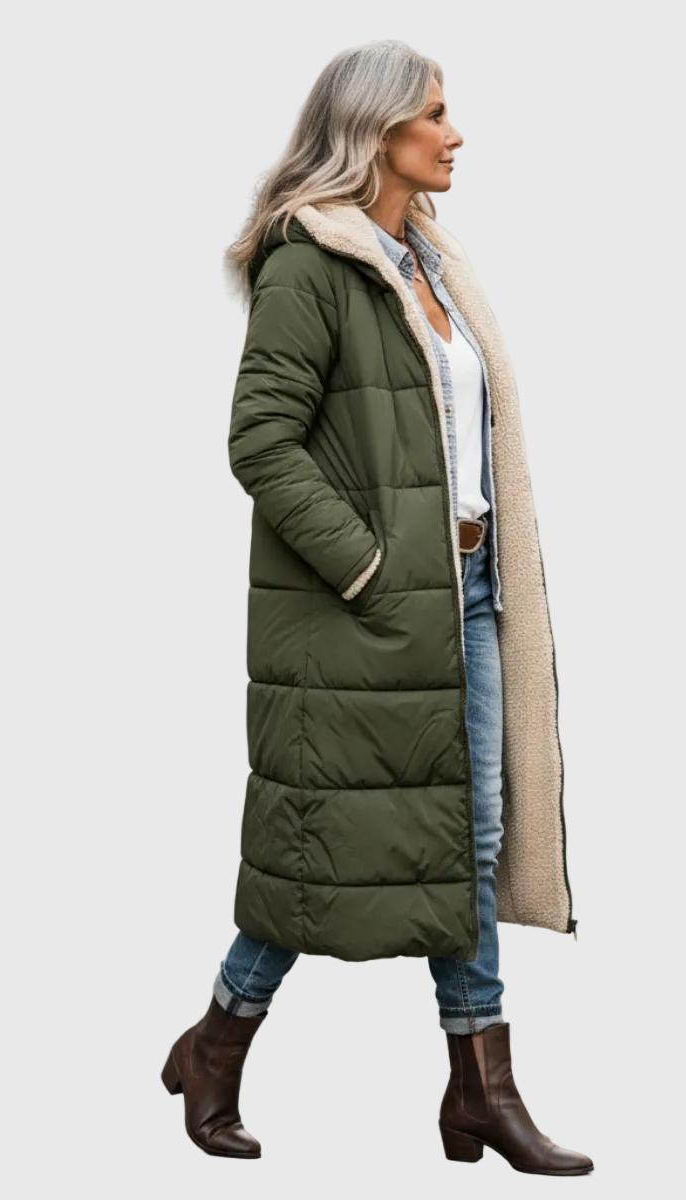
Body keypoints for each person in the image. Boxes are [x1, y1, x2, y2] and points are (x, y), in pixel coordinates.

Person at [161, 39, 593, 1176]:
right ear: (375, 131)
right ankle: (216, 1043)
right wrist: (368, 567)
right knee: (322, 849)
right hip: (370, 611)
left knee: (467, 840)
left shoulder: (430, 262)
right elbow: (260, 441)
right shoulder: (310, 264)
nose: (455, 134)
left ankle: (479, 1090)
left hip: (470, 597)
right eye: (434, 115)